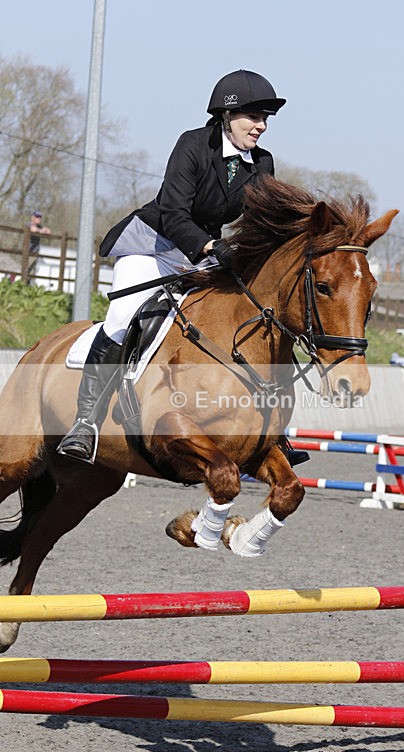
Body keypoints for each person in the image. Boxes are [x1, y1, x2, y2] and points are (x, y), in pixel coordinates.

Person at [58, 69, 306, 467]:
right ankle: (85, 422)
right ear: (227, 115)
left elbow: (263, 222)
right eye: (253, 117)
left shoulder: (261, 162)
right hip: (152, 243)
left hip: (203, 251)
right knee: (123, 318)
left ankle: (272, 431)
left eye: (265, 119)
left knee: (255, 314)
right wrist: (211, 245)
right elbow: (174, 213)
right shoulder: (192, 145)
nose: (261, 127)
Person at [28, 210, 51, 279]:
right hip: (28, 252)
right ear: (33, 217)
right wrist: (41, 231)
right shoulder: (29, 224)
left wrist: (43, 230)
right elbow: (33, 229)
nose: (39, 219)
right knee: (25, 270)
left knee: (32, 273)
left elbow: (49, 231)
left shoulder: (39, 227)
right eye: (37, 217)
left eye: (40, 217)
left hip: (35, 253)